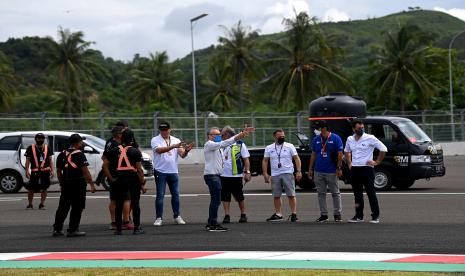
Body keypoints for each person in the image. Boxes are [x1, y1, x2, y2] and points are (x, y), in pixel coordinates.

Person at [204, 126, 255, 232]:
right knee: (217, 200)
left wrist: (247, 171)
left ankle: (211, 222)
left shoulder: (218, 147)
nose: (219, 136)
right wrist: (240, 134)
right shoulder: (210, 144)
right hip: (213, 176)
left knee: (217, 200)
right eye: (217, 134)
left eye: (220, 134)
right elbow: (225, 143)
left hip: (219, 175)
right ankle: (213, 224)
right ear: (210, 136)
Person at [103, 129, 147, 235]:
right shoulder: (135, 151)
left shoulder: (113, 150)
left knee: (118, 204)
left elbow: (104, 165)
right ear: (132, 138)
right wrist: (141, 183)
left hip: (118, 179)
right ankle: (137, 228)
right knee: (135, 203)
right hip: (132, 179)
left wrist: (111, 178)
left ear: (121, 138)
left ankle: (118, 229)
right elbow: (139, 169)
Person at [344, 119, 387, 224]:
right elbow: (347, 151)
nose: (361, 129)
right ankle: (359, 216)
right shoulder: (350, 139)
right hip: (355, 169)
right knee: (357, 194)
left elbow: (383, 149)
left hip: (367, 169)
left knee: (371, 193)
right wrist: (349, 163)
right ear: (353, 128)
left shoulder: (370, 138)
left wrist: (377, 162)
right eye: (359, 128)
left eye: (362, 127)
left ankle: (375, 216)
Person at [53, 134, 96, 237]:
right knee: (77, 207)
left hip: (66, 183)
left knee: (63, 206)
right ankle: (73, 229)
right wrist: (91, 184)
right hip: (78, 183)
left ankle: (57, 229)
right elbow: (85, 171)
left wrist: (62, 183)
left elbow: (59, 172)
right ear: (77, 143)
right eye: (81, 142)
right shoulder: (79, 154)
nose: (82, 143)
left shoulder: (62, 154)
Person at [151, 122, 194, 226]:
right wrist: (173, 146)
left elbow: (182, 154)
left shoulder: (176, 140)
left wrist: (187, 151)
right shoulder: (155, 139)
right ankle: (159, 217)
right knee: (160, 195)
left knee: (175, 195)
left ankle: (177, 216)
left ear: (170, 129)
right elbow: (159, 150)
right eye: (162, 130)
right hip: (160, 171)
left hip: (173, 171)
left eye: (166, 130)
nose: (164, 132)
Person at [262, 129, 302, 222]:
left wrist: (299, 171)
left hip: (287, 173)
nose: (282, 137)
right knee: (276, 195)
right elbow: (265, 160)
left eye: (283, 136)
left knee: (291, 194)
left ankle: (294, 214)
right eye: (280, 136)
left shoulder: (289, 146)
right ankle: (278, 214)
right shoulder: (269, 147)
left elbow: (296, 158)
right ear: (275, 137)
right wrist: (265, 173)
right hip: (275, 174)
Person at [308, 120, 344, 222]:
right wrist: (310, 168)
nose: (316, 129)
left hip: (331, 170)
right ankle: (324, 214)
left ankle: (337, 214)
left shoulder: (335, 138)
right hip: (318, 170)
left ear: (323, 128)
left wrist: (339, 168)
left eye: (317, 128)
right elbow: (313, 154)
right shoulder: (316, 139)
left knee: (335, 192)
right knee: (321, 193)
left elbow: (340, 154)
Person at [102, 125, 133, 231]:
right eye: (123, 133)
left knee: (114, 199)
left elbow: (104, 157)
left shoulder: (109, 142)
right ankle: (126, 221)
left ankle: (114, 222)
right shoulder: (118, 146)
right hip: (120, 175)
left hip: (113, 175)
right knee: (126, 199)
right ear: (119, 134)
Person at [220, 126, 251, 224]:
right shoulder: (220, 144)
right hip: (223, 174)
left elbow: (246, 159)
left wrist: (247, 172)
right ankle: (227, 215)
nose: (221, 136)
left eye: (222, 134)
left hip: (236, 175)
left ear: (227, 134)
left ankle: (243, 214)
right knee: (225, 196)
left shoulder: (240, 144)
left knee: (239, 196)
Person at [24, 133, 54, 210]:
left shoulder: (47, 148)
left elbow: (50, 160)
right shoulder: (30, 148)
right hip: (35, 171)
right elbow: (28, 160)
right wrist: (27, 171)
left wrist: (52, 170)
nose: (40, 139)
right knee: (31, 188)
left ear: (44, 139)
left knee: (44, 188)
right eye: (38, 138)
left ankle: (42, 204)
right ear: (35, 139)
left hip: (45, 171)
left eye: (42, 138)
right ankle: (30, 204)